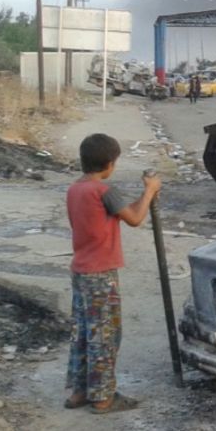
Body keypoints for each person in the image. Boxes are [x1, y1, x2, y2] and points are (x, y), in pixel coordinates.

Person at [64, 133, 162, 414]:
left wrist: (140, 196)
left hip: (81, 271)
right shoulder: (103, 191)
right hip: (101, 273)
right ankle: (104, 396)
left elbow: (117, 213)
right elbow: (134, 218)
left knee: (83, 331)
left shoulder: (75, 189)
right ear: (109, 164)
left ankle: (79, 391)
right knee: (106, 334)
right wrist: (150, 191)